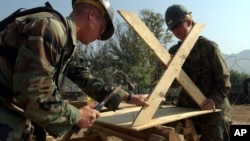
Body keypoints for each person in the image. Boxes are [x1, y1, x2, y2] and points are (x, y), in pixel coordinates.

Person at [0, 0, 149, 140]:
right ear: (91, 16)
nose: (99, 37)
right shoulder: (50, 29)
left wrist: (127, 97)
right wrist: (76, 115)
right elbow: (33, 91)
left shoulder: (64, 42)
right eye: (101, 29)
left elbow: (85, 77)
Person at [163, 4, 231, 141]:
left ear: (188, 22)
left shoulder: (209, 47)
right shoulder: (173, 53)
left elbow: (224, 81)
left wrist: (213, 99)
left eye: (177, 25)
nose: (174, 31)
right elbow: (174, 85)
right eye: (171, 29)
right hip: (187, 111)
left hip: (213, 111)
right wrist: (166, 74)